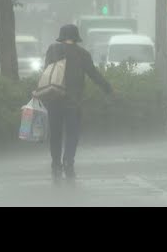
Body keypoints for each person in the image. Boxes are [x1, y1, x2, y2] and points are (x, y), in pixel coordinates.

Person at [36, 24, 113, 183]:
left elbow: (46, 72)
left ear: (61, 36)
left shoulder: (53, 50)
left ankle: (56, 164)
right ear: (76, 37)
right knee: (72, 134)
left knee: (55, 134)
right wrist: (108, 89)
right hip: (73, 101)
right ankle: (68, 162)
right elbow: (94, 74)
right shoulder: (82, 54)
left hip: (54, 99)